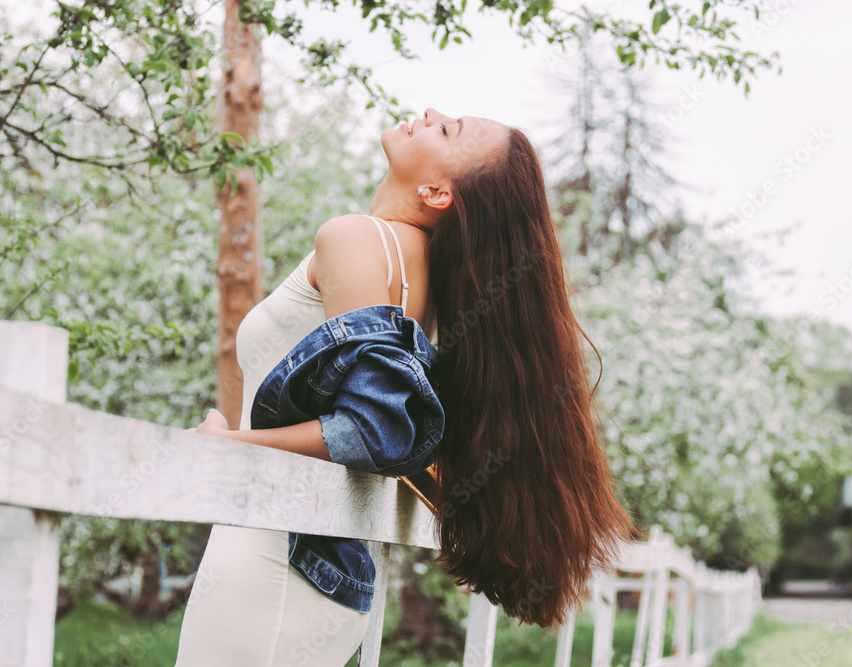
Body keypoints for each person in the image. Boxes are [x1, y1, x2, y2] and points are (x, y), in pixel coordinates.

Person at [175, 107, 636, 665]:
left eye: (448, 130)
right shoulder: (421, 275)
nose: (430, 114)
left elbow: (377, 427)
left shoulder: (354, 239)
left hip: (273, 560)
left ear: (437, 192)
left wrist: (229, 448)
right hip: (313, 574)